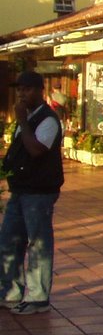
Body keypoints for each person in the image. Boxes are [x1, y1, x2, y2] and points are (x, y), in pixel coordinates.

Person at [1, 70, 65, 315]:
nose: (22, 94)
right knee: (9, 240)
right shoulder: (27, 118)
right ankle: (9, 291)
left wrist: (23, 123)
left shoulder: (48, 119)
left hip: (39, 192)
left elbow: (36, 150)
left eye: (27, 89)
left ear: (40, 91)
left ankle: (38, 297)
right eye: (19, 90)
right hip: (20, 189)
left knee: (38, 243)